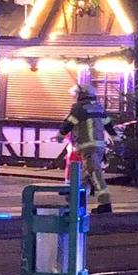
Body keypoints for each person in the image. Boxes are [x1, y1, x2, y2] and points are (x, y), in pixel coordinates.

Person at [55, 84, 118, 214]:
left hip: (87, 148)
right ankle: (76, 205)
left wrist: (60, 136)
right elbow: (108, 124)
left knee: (95, 174)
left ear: (81, 95)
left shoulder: (79, 109)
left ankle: (105, 204)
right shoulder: (98, 108)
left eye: (76, 95)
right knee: (84, 177)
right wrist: (115, 137)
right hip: (99, 147)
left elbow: (68, 123)